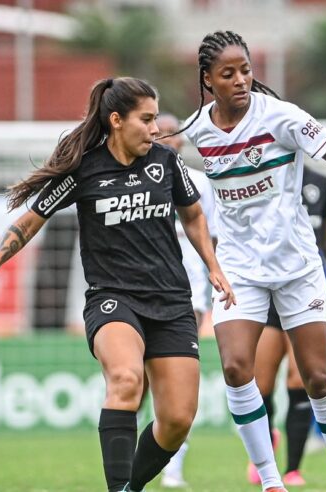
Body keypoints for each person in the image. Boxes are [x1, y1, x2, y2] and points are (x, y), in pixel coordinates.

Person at [0, 77, 235, 492]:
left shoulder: (167, 162)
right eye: (147, 119)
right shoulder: (85, 169)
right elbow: (31, 219)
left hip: (172, 300)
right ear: (117, 120)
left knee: (177, 420)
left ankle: (129, 487)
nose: (156, 129)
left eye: (156, 118)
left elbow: (193, 215)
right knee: (125, 380)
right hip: (113, 299)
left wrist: (213, 266)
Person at [173, 31, 326, 492]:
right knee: (237, 369)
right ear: (208, 80)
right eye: (228, 74)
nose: (241, 80)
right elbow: (156, 151)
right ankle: (270, 481)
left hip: (297, 268)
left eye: (246, 70)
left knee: (319, 379)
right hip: (239, 269)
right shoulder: (197, 129)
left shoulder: (283, 118)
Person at [249, 167, 326, 487]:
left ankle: (293, 469)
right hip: (265, 294)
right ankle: (266, 450)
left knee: (301, 380)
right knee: (261, 385)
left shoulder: (318, 183)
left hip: (303, 295)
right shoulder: (256, 176)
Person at [138, 112, 215, 489]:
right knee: (134, 383)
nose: (165, 139)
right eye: (159, 133)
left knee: (176, 388)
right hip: (138, 292)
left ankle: (173, 468)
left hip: (188, 294)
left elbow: (211, 238)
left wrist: (215, 288)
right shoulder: (132, 181)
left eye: (172, 134)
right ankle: (128, 460)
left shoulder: (199, 184)